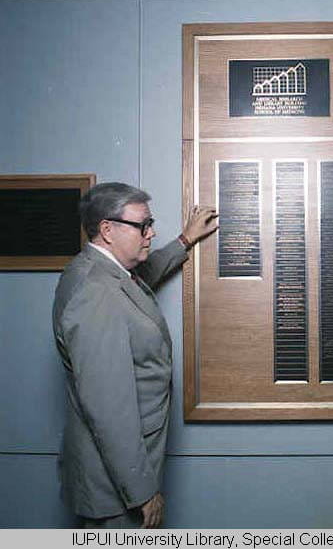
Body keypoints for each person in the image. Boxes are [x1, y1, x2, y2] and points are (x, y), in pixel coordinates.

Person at [52, 182, 217, 528]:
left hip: (117, 475)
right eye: (143, 225)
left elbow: (137, 286)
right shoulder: (94, 293)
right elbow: (109, 407)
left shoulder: (107, 274)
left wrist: (184, 241)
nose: (151, 232)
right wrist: (142, 491)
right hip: (115, 488)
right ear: (107, 230)